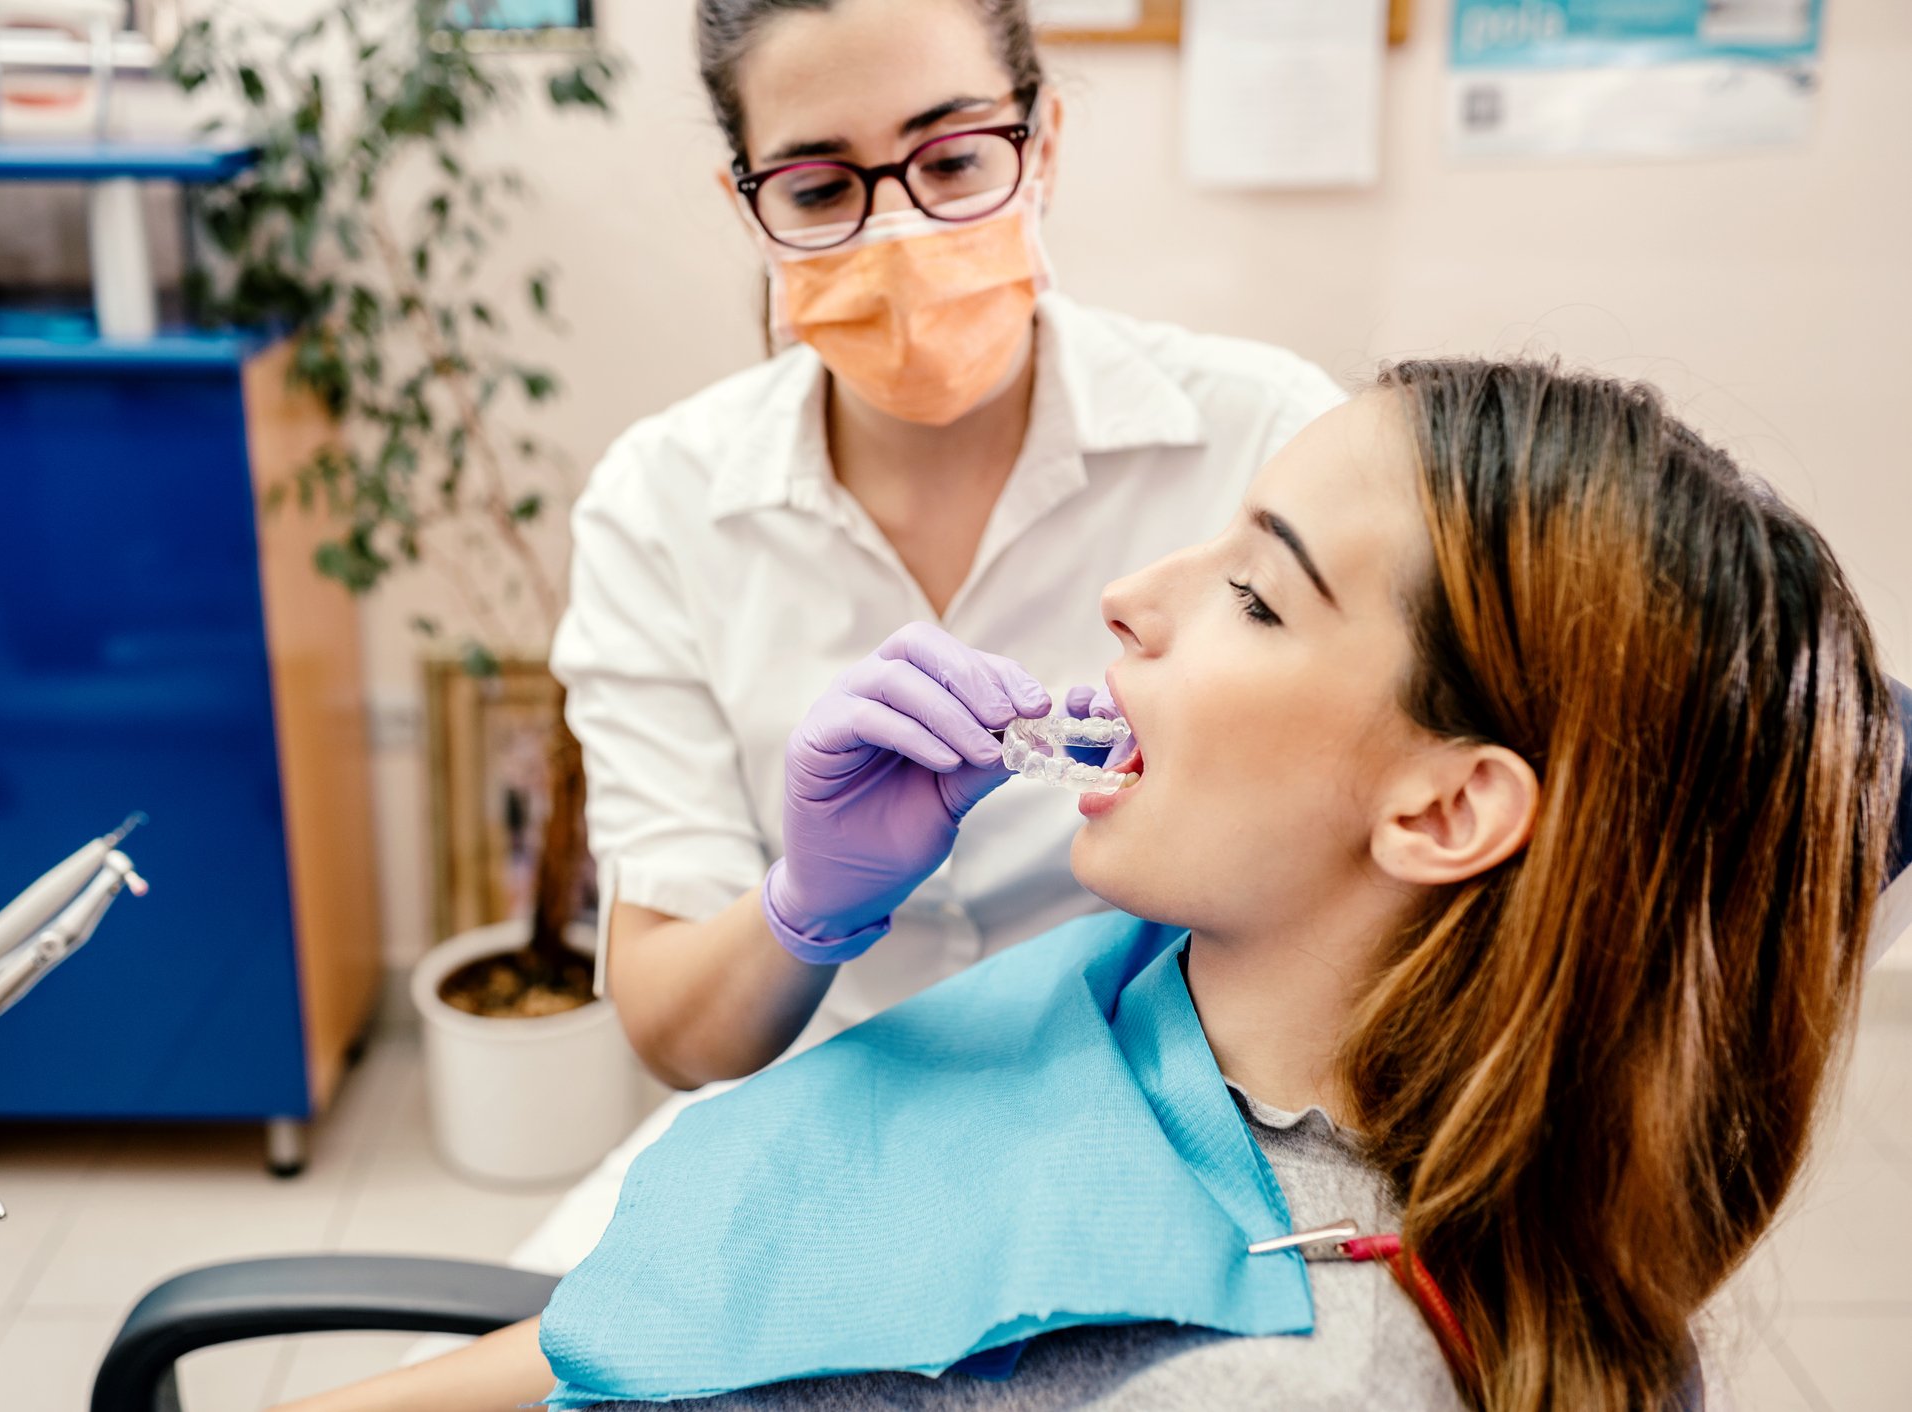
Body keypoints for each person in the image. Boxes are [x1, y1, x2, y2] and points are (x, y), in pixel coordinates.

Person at [281, 360, 1901, 1411]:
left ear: (1445, 806)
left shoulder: (1271, 1368)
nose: (1130, 599)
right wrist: (807, 905)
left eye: (1255, 597)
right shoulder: (1169, 977)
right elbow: (673, 1321)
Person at [546, 0, 1343, 1095]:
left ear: (1043, 144)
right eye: (821, 189)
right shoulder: (660, 503)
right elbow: (679, 1034)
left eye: (955, 159)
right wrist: (811, 903)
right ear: (751, 211)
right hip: (818, 1105)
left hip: (1182, 1099)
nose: (899, 234)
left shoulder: (1264, 438)